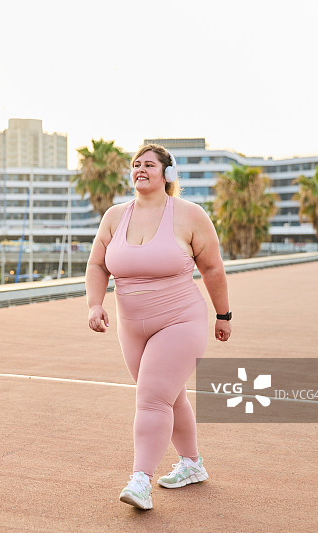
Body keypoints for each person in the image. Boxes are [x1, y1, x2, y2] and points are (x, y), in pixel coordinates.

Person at [85, 144, 232, 510]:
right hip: (131, 327)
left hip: (181, 320)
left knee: (152, 397)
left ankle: (140, 481)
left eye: (149, 164)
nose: (140, 169)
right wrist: (94, 304)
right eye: (135, 164)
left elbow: (212, 268)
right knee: (170, 396)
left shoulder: (189, 215)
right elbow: (98, 266)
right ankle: (192, 464)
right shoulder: (115, 216)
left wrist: (223, 315)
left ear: (168, 174)